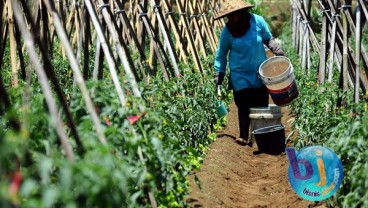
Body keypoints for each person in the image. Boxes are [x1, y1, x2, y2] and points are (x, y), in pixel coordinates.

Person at [213, 0, 285, 146]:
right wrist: (219, 72)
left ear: (242, 13)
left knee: (261, 106)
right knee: (243, 106)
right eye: (228, 16)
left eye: (233, 15)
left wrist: (278, 51)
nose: (230, 19)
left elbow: (268, 39)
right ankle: (244, 136)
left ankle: (261, 138)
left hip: (260, 73)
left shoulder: (257, 21)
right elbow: (221, 54)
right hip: (240, 75)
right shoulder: (228, 31)